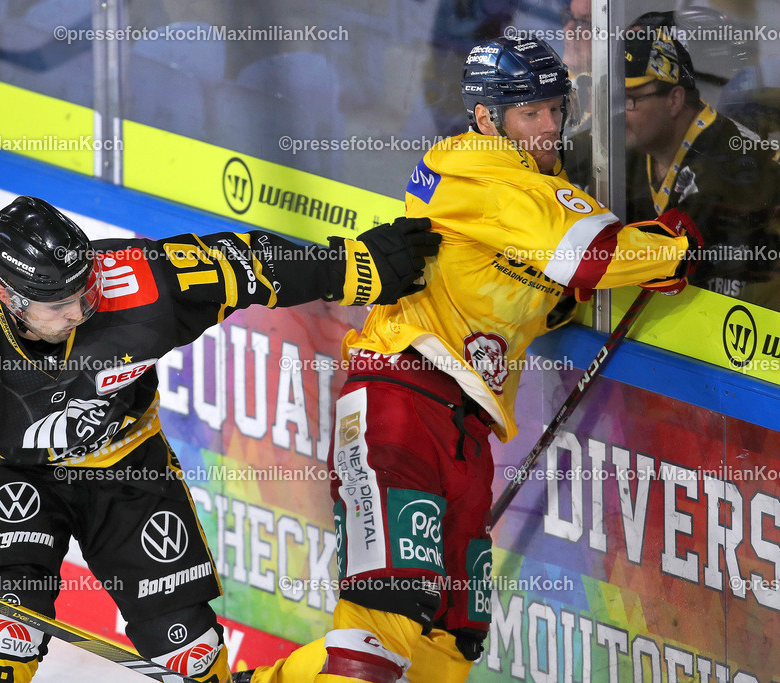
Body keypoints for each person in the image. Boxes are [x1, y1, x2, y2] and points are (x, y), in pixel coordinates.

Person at [0, 196, 440, 683]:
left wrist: (355, 266)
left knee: (190, 650)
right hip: (14, 477)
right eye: (57, 304)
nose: (80, 311)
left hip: (127, 467)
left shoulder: (138, 282)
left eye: (84, 290)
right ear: (7, 296)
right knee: (9, 626)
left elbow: (244, 264)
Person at [237, 36, 701, 683]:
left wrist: (606, 281)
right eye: (528, 113)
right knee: (384, 619)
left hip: (464, 434)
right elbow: (592, 255)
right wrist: (676, 244)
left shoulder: (532, 194)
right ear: (487, 118)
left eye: (553, 109)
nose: (548, 126)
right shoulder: (472, 164)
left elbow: (539, 286)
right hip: (395, 405)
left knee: (449, 641)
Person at [623, 17, 780, 301]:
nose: (618, 111)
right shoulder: (633, 149)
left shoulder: (731, 167)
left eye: (629, 99)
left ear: (674, 100)